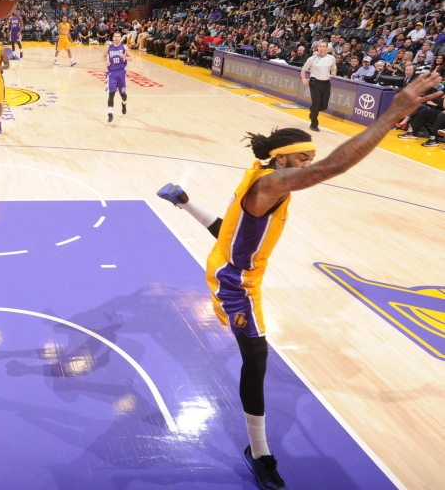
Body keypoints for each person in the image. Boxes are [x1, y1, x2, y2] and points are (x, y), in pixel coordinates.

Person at [155, 69, 442, 490]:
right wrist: (392, 113)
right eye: (302, 158)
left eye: (309, 157)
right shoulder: (271, 184)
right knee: (256, 360)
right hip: (237, 284)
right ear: (282, 158)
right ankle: (259, 453)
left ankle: (183, 201)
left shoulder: (258, 177)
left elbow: (230, 233)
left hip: (231, 261)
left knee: (238, 248)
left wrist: (186, 203)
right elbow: (331, 168)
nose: (308, 164)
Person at [299, 41, 337, 132]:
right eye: (320, 46)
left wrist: (334, 72)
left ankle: (313, 111)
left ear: (326, 48)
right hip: (314, 83)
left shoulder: (331, 58)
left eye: (323, 46)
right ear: (318, 47)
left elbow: (334, 68)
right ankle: (313, 124)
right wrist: (303, 79)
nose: (321, 48)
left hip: (326, 83)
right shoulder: (312, 59)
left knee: (324, 106)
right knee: (316, 104)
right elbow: (303, 70)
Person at [104, 31, 130, 122]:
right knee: (111, 94)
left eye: (118, 36)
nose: (116, 38)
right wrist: (105, 62)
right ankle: (110, 114)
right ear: (113, 38)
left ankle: (124, 103)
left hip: (121, 73)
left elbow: (131, 58)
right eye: (115, 36)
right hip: (111, 73)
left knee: (123, 94)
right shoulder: (109, 47)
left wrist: (125, 57)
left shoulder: (124, 47)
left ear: (121, 38)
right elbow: (103, 56)